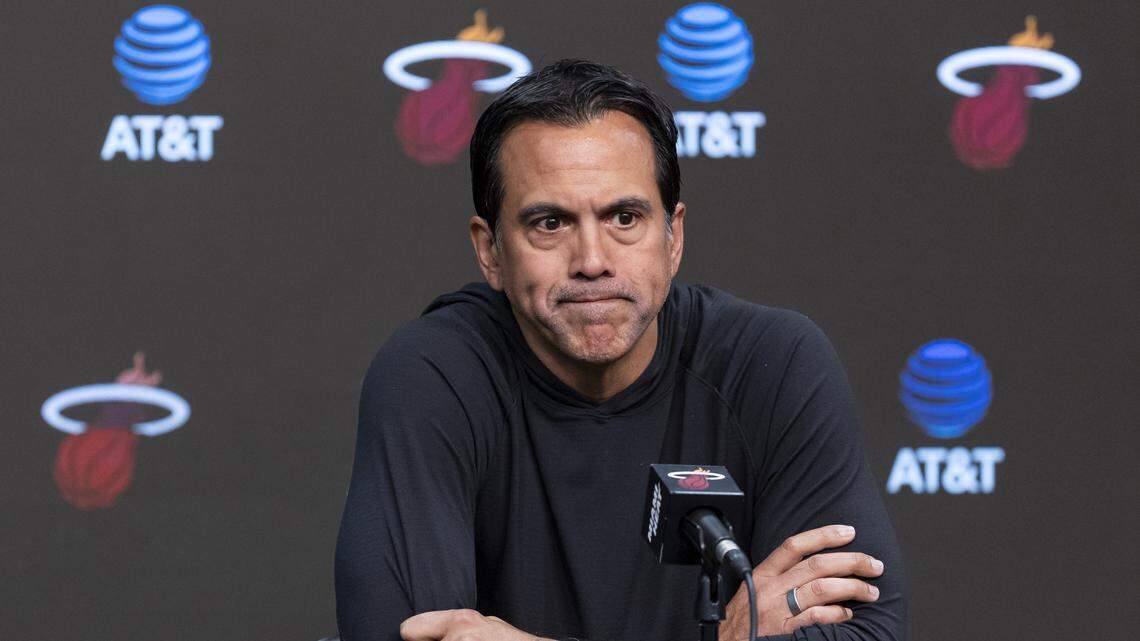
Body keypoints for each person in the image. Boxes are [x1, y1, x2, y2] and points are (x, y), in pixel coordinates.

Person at [335, 59, 905, 641]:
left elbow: (867, 633)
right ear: (490, 252)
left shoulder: (773, 364)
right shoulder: (435, 373)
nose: (592, 260)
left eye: (625, 218)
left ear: (673, 236)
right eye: (550, 223)